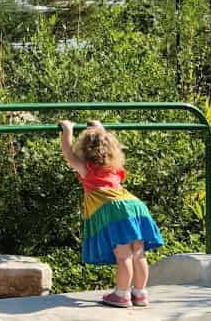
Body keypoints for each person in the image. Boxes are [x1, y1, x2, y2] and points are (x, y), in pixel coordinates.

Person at [58, 119, 164, 308]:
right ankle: (140, 294)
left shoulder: (86, 168)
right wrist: (100, 129)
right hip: (135, 206)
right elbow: (102, 142)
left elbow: (67, 153)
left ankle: (122, 294)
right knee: (138, 254)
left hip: (114, 210)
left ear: (85, 150)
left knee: (123, 255)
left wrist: (68, 130)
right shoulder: (114, 169)